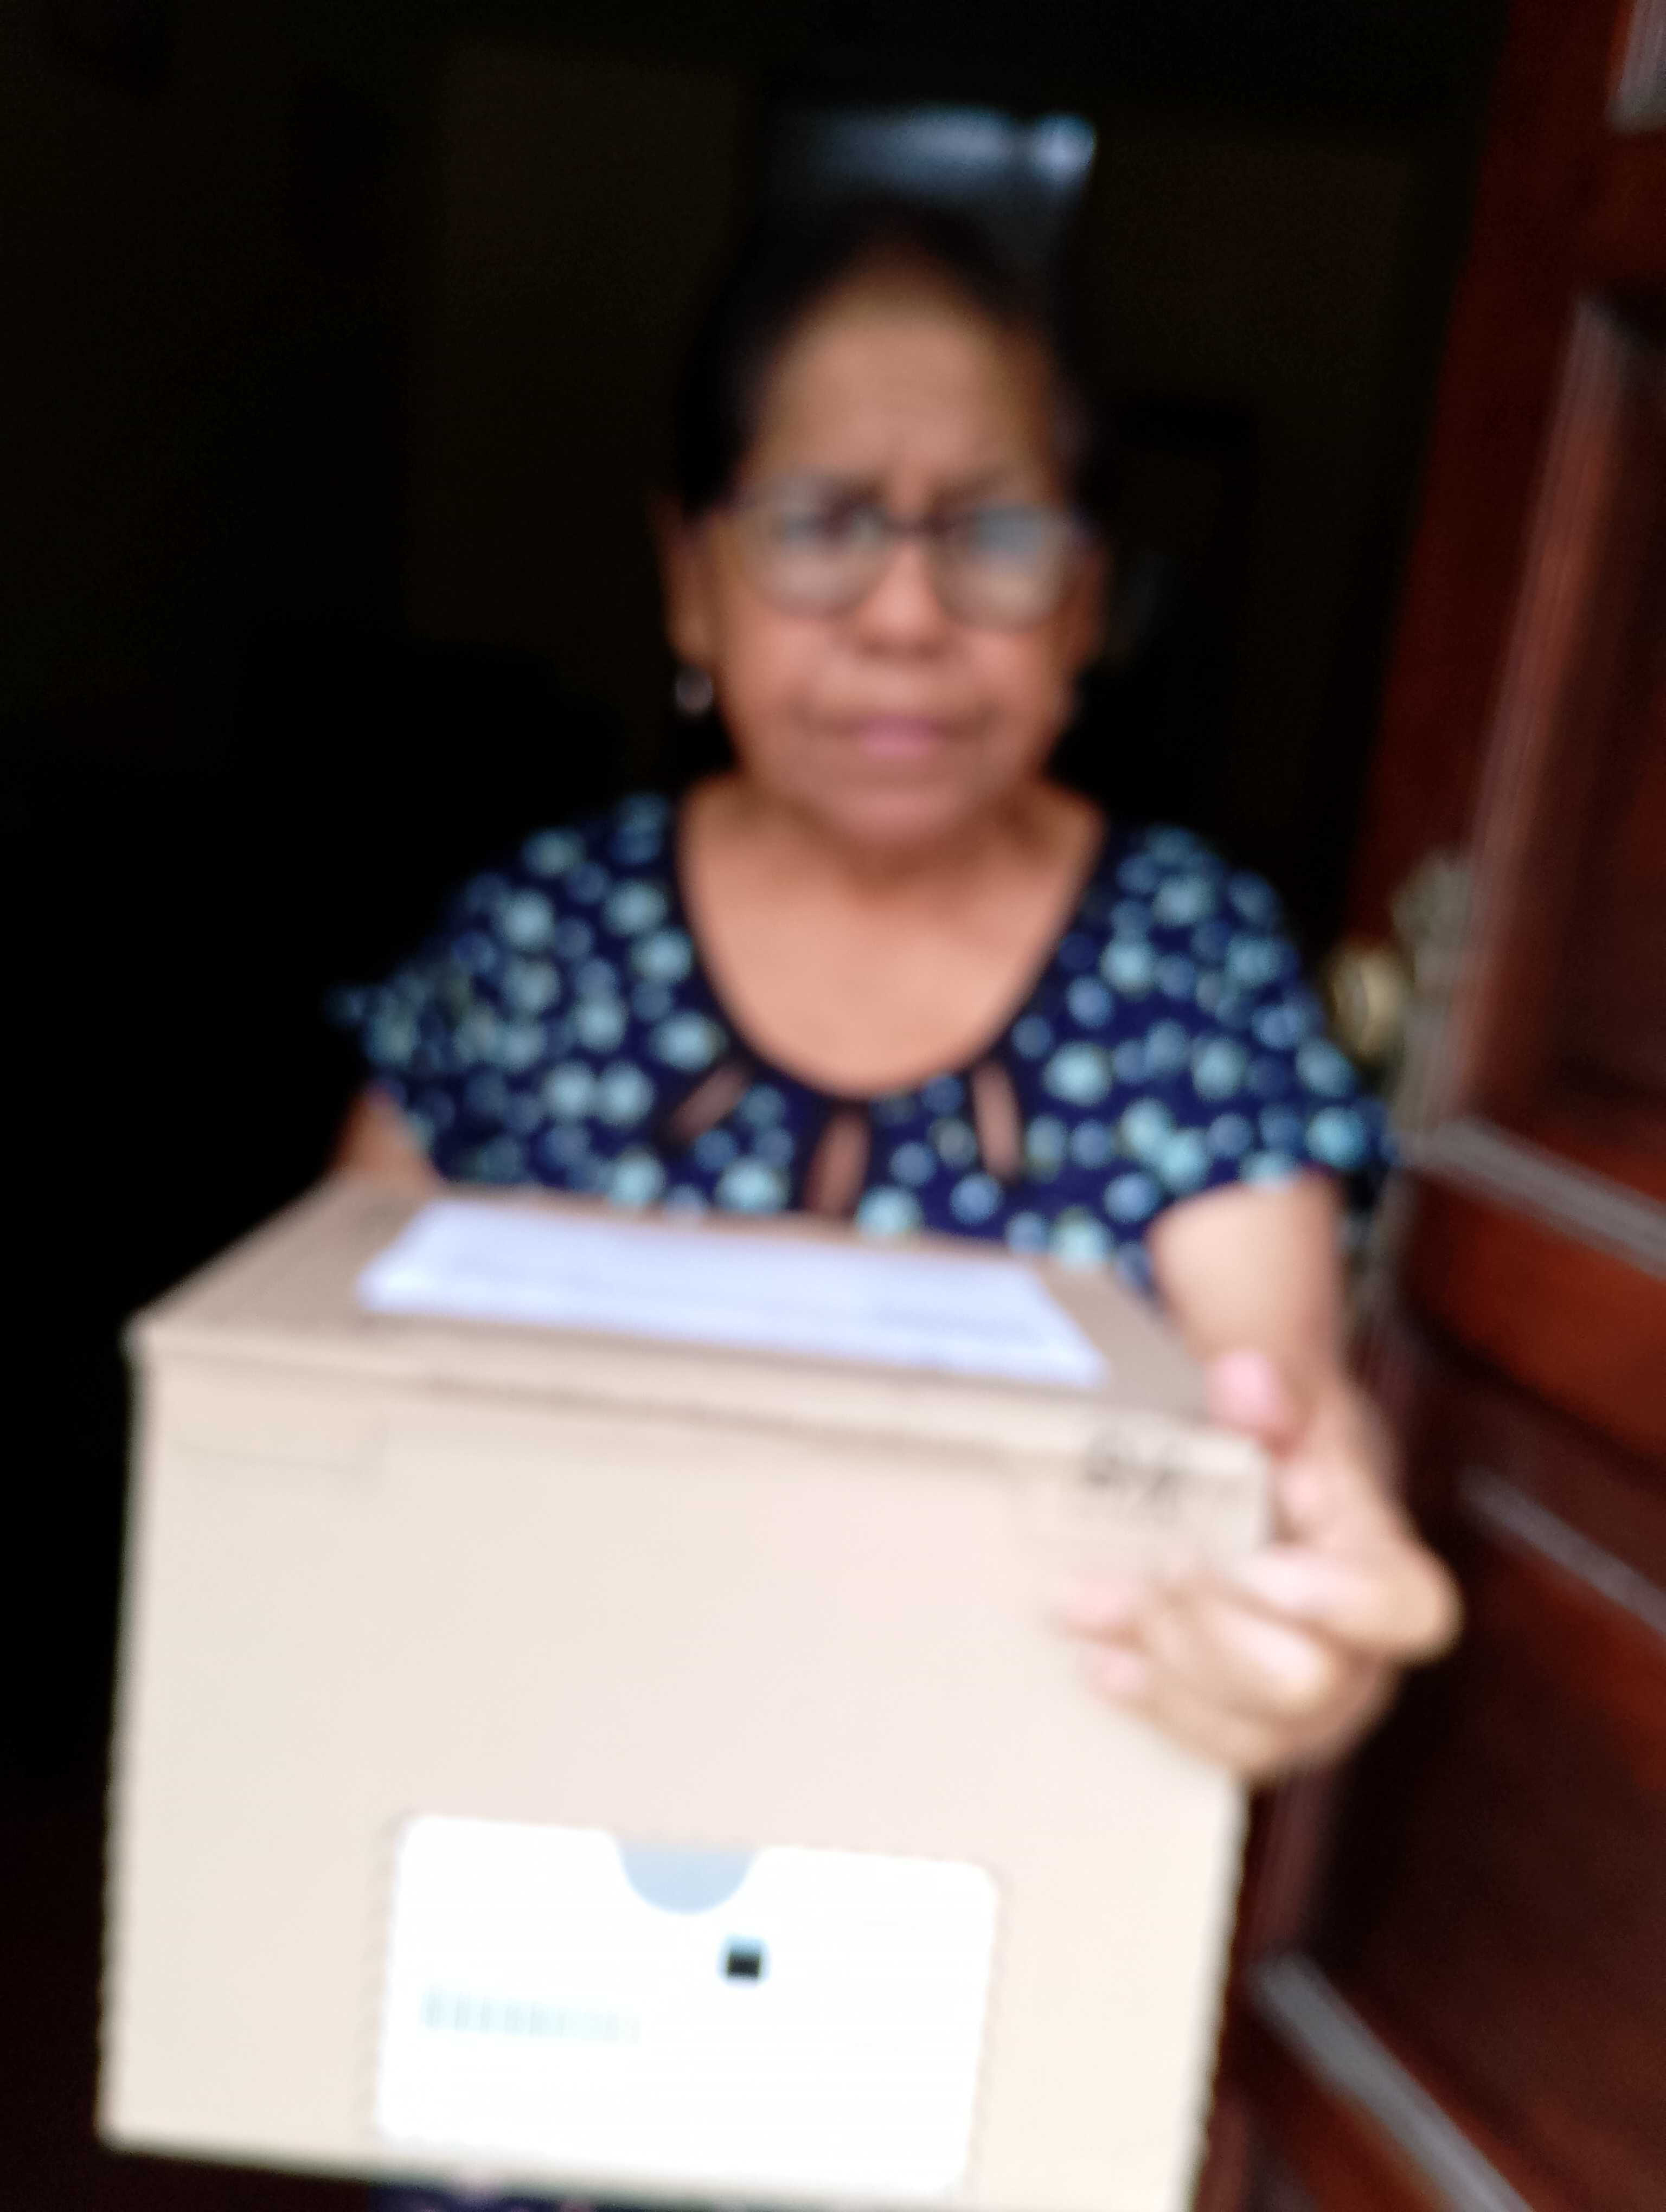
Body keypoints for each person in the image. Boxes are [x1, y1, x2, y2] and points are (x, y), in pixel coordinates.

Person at [338, 194, 1456, 1798]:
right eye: (820, 523)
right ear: (692, 579)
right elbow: (326, 1388)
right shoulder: (537, 944)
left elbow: (1275, 1434)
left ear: (1084, 603)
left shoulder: (1186, 961)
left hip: (1007, 1812)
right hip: (530, 1769)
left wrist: (1302, 1639)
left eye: (992, 536)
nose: (907, 616)